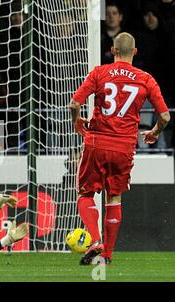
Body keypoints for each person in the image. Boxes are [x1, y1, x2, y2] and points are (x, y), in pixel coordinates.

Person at [69, 32, 170, 265]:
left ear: (113, 51)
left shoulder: (99, 72)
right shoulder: (146, 79)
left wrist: (77, 121)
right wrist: (154, 133)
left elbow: (74, 103)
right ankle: (107, 255)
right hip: (124, 147)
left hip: (96, 142)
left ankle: (95, 240)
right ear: (135, 52)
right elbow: (164, 116)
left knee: (85, 194)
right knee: (113, 198)